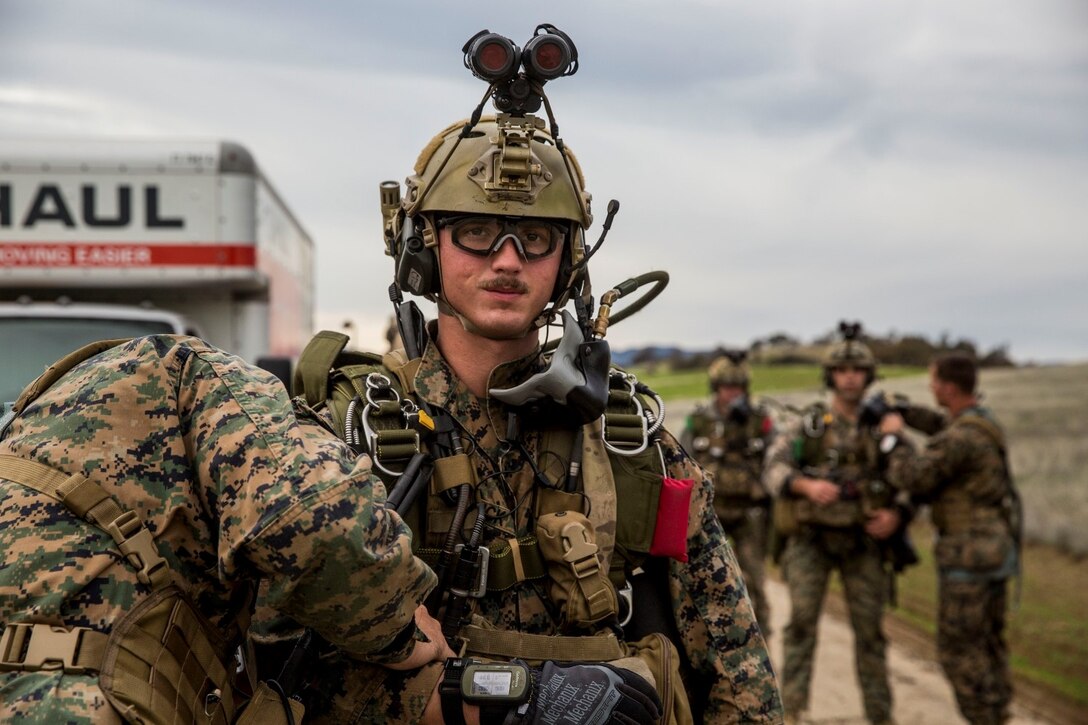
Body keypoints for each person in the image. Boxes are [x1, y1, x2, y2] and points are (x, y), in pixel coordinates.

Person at [267, 25, 783, 725]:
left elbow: (738, 674)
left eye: (535, 237)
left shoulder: (633, 443)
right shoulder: (348, 432)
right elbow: (274, 663)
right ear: (425, 246)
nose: (506, 260)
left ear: (567, 260)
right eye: (476, 230)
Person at [0, 335, 448, 723]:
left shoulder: (34, 424)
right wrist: (405, 636)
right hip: (68, 703)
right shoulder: (216, 383)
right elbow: (322, 521)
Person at [763, 322, 907, 725]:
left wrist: (896, 515)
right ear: (831, 375)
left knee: (871, 636)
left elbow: (911, 478)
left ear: (868, 375)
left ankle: (881, 716)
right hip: (811, 539)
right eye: (842, 370)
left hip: (865, 542)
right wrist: (805, 485)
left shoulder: (884, 426)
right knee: (801, 628)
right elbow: (772, 470)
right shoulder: (809, 424)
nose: (849, 377)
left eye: (857, 370)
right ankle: (792, 714)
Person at [880, 353, 1018, 725]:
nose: (929, 386)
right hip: (994, 552)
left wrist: (893, 438)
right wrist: (905, 412)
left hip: (968, 558)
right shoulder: (980, 423)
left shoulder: (961, 438)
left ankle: (984, 717)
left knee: (959, 650)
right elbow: (941, 425)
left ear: (948, 387)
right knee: (988, 643)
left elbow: (913, 476)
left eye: (933, 380)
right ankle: (998, 711)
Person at [681, 350, 774, 633]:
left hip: (750, 513)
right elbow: (682, 462)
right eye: (726, 387)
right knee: (703, 581)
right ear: (716, 387)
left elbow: (775, 462)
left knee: (755, 584)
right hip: (711, 513)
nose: (731, 393)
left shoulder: (760, 421)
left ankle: (763, 650)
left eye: (737, 388)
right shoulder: (698, 421)